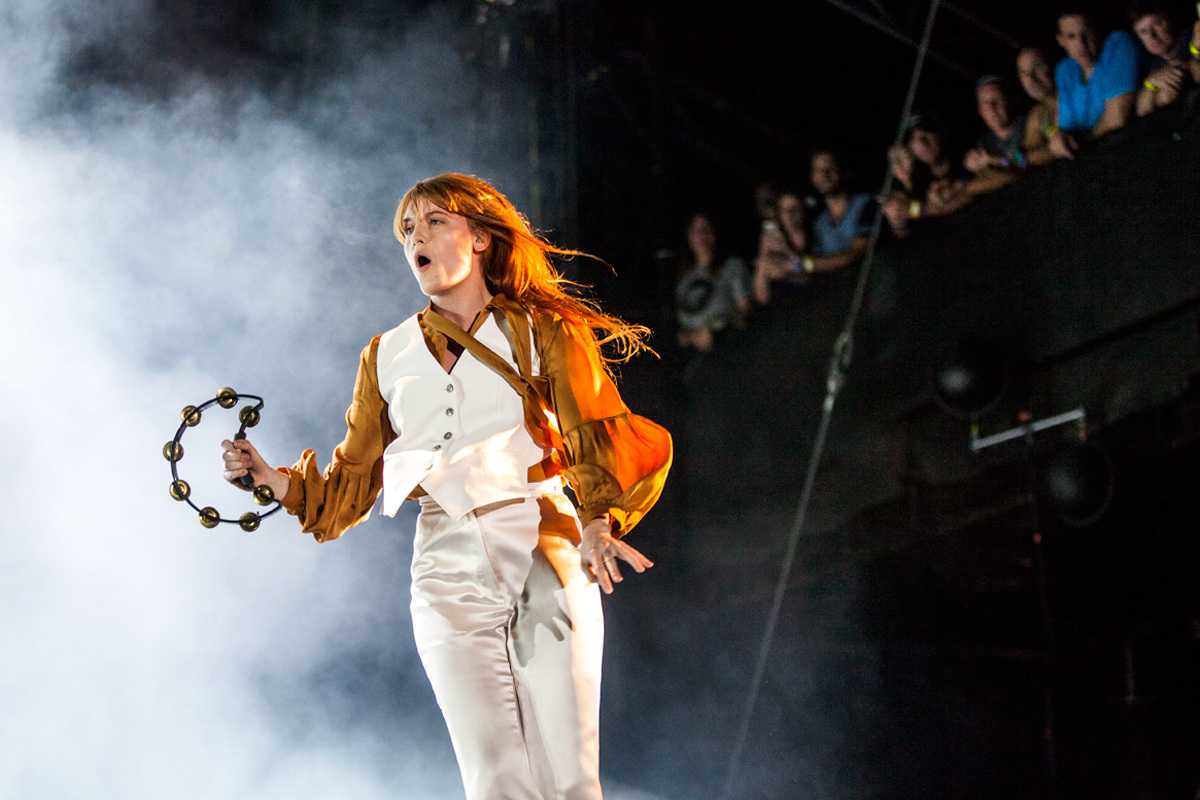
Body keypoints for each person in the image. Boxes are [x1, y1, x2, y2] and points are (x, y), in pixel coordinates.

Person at [221, 173, 673, 800]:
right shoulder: (385, 354)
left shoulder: (541, 329)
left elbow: (593, 427)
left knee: (568, 778)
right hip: (444, 562)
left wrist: (599, 522)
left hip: (543, 541)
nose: (418, 239)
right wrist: (272, 479)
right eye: (408, 229)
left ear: (480, 238)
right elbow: (351, 481)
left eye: (435, 222)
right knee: (494, 783)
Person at [1051, 10, 1142, 159]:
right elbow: (1066, 127)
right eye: (1071, 36)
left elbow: (1117, 119)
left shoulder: (1119, 44)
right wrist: (1059, 138)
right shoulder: (1064, 70)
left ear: (1098, 29)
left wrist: (1081, 144)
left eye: (1086, 32)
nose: (1081, 44)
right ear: (1061, 41)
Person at [675, 213, 751, 351]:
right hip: (691, 351)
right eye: (697, 231)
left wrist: (718, 330)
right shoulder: (684, 276)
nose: (702, 236)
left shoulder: (732, 266)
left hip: (728, 345)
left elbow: (745, 310)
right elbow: (681, 322)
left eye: (706, 229)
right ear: (689, 238)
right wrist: (691, 337)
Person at [1130, 2, 1200, 116]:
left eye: (1157, 24)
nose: (1152, 35)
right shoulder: (1153, 64)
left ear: (1170, 22)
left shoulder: (1191, 36)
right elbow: (1142, 112)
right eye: (1143, 31)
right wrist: (1150, 84)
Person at [963, 76, 1027, 194]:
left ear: (1011, 100)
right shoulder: (984, 143)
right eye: (985, 103)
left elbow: (1023, 163)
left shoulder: (1027, 125)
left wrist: (997, 161)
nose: (991, 108)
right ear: (980, 111)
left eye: (997, 99)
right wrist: (975, 166)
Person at [752, 191, 811, 304]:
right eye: (783, 210)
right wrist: (764, 253)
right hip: (790, 306)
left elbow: (814, 273)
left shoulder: (816, 234)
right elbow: (762, 297)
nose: (789, 215)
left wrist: (787, 263)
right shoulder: (774, 240)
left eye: (794, 209)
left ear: (803, 210)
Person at [1016, 46, 1061, 167]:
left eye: (1038, 68)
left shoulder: (1076, 95)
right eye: (1024, 73)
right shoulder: (1037, 115)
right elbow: (1026, 159)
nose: (1031, 79)